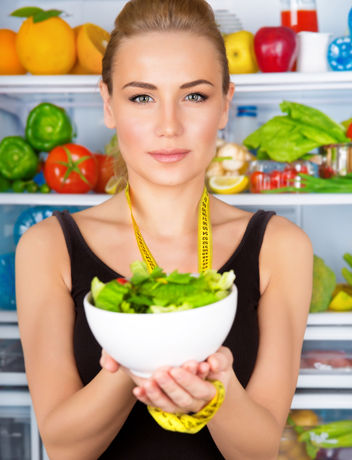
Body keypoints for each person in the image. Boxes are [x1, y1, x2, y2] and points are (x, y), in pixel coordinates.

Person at [15, 0, 313, 458]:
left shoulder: (281, 247)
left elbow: (258, 450)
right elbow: (63, 448)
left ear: (225, 105)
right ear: (108, 104)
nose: (169, 126)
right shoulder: (47, 248)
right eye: (142, 97)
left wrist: (219, 390)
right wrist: (137, 355)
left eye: (194, 96)